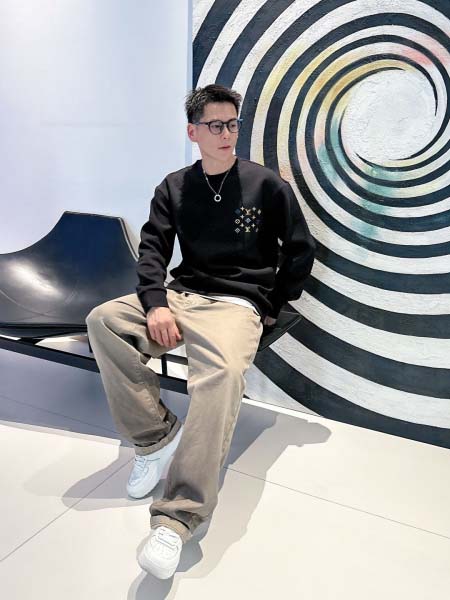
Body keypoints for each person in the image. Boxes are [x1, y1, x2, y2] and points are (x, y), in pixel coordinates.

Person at [86, 84, 315, 579]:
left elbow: (300, 250)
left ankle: (177, 518)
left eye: (232, 123)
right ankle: (155, 437)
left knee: (223, 373)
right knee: (104, 321)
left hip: (237, 304)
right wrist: (155, 303)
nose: (227, 133)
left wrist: (272, 304)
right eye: (215, 125)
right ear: (193, 132)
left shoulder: (265, 185)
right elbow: (153, 250)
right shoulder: (174, 187)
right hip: (184, 294)